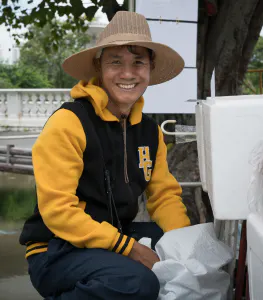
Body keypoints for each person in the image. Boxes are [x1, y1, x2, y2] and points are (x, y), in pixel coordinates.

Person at [19, 11, 191, 300]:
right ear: (99, 67)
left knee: (179, 251)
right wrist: (131, 249)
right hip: (55, 249)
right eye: (115, 62)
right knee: (138, 283)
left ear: (150, 68)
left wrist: (185, 248)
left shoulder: (150, 131)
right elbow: (58, 211)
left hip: (110, 238)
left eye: (138, 62)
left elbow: (163, 196)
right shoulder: (69, 122)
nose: (127, 74)